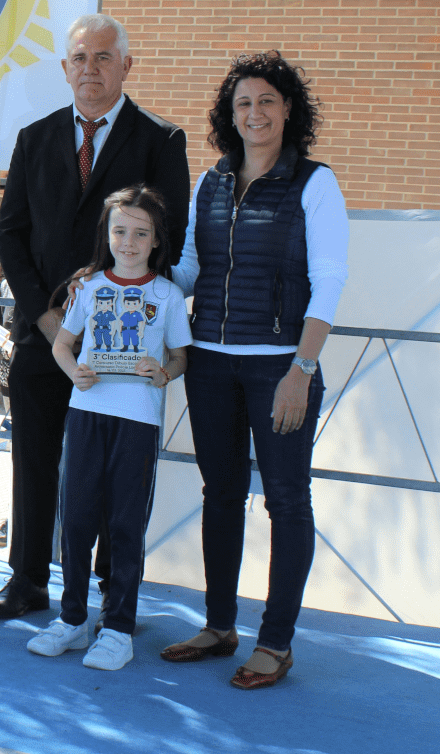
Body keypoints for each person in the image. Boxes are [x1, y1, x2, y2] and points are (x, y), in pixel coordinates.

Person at [0, 14, 190, 619]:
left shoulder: (161, 141)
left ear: (126, 65)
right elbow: (10, 234)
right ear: (65, 67)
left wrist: (105, 300)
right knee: (33, 458)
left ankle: (108, 592)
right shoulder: (35, 138)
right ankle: (27, 579)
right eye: (80, 58)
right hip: (42, 334)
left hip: (121, 345)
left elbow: (171, 239)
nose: (90, 69)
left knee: (110, 473)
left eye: (103, 57)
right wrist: (50, 319)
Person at [160, 51, 348, 689]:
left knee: (287, 501)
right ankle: (219, 627)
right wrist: (128, 281)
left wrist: (302, 368)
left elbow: (329, 282)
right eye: (243, 103)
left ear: (288, 109)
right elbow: (192, 269)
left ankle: (276, 642)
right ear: (229, 114)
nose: (255, 113)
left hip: (280, 369)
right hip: (210, 364)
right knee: (220, 495)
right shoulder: (210, 182)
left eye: (267, 100)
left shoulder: (315, 184)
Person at [25, 186, 191, 671]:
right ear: (107, 234)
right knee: (76, 518)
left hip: (137, 421)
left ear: (157, 240)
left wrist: (163, 373)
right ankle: (72, 619)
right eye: (120, 231)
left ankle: (118, 628)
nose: (129, 242)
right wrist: (73, 371)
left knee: (124, 523)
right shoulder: (90, 287)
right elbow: (62, 344)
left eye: (141, 233)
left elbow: (180, 357)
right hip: (86, 414)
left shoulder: (167, 295)